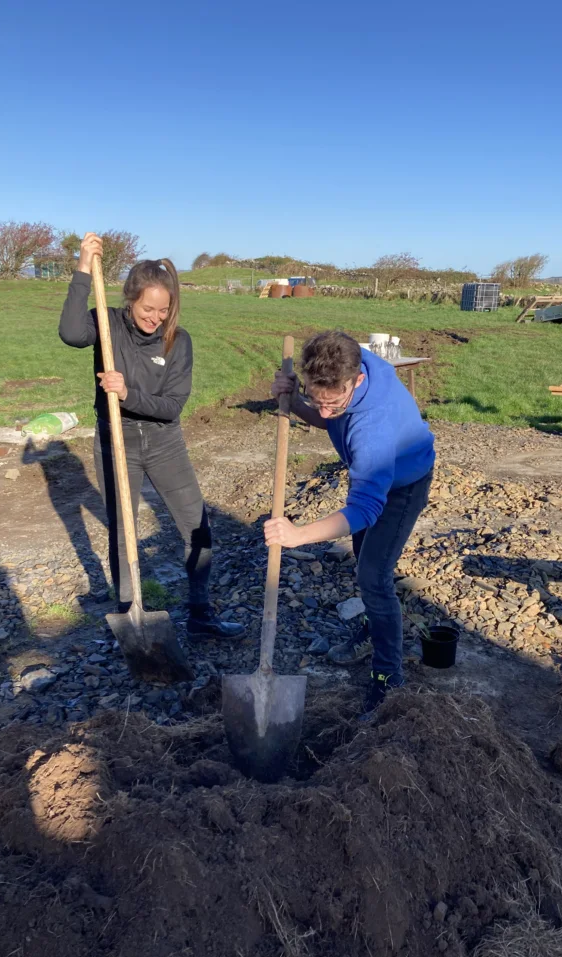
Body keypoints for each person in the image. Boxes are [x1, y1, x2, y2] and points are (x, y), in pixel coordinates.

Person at [59, 232, 243, 641]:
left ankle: (200, 615)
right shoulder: (107, 325)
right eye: (148, 308)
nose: (155, 318)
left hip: (164, 443)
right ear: (131, 299)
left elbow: (172, 405)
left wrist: (127, 393)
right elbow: (71, 333)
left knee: (198, 528)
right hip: (116, 440)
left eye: (164, 310)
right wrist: (83, 268)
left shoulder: (179, 341)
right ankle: (130, 618)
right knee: (123, 530)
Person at [267, 330, 435, 710]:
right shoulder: (343, 364)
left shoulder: (372, 426)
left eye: (334, 402)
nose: (324, 412)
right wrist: (293, 398)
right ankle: (373, 627)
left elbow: (365, 509)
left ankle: (388, 676)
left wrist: (299, 535)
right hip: (372, 475)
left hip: (402, 487)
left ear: (357, 381)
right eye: (317, 398)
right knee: (364, 561)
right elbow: (327, 418)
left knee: (374, 576)